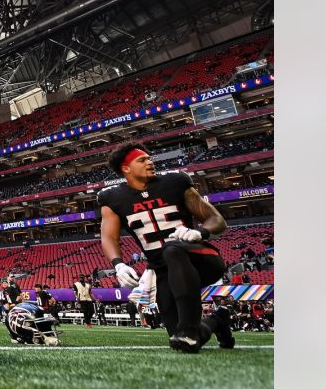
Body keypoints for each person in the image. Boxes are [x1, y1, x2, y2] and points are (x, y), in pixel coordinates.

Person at [98, 143, 234, 352]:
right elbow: (108, 236)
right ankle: (217, 320)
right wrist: (118, 265)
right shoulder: (112, 198)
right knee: (182, 341)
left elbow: (216, 219)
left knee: (172, 249)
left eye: (149, 158)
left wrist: (200, 232)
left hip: (200, 258)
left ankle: (188, 328)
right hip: (163, 271)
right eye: (141, 160)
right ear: (126, 168)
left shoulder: (175, 182)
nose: (150, 162)